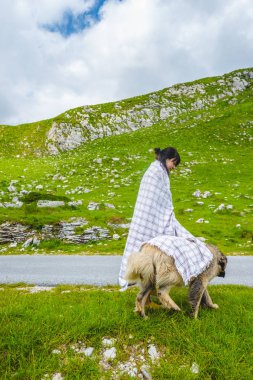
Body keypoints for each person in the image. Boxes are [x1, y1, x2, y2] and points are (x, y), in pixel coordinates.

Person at [118, 146, 201, 290]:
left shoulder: (160, 171)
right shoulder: (156, 171)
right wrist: (166, 213)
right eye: (174, 163)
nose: (174, 167)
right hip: (147, 217)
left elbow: (162, 196)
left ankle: (145, 280)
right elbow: (151, 196)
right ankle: (134, 277)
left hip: (154, 215)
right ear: (168, 159)